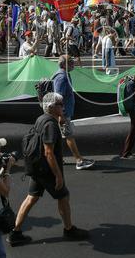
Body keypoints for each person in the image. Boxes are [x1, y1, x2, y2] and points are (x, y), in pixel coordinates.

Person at [7, 92, 88, 246]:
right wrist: (58, 176)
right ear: (52, 107)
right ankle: (69, 229)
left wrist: (60, 121)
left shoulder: (42, 119)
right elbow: (48, 153)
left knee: (31, 197)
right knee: (63, 197)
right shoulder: (50, 125)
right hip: (46, 169)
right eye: (60, 104)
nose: (63, 107)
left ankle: (15, 232)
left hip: (36, 167)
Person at [51, 55, 95, 170]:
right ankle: (79, 161)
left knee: (59, 137)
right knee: (69, 136)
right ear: (64, 64)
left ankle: (57, 158)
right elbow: (58, 97)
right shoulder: (62, 77)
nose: (73, 63)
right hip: (63, 113)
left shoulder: (65, 75)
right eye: (70, 61)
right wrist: (61, 115)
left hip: (63, 112)